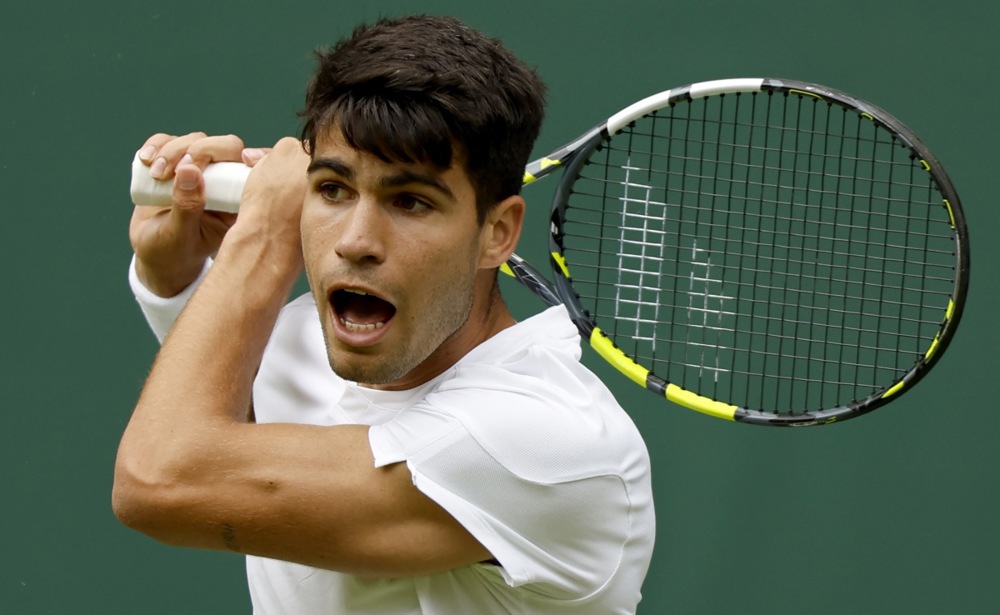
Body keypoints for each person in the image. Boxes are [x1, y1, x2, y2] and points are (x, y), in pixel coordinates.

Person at [113, 15, 655, 614]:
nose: (355, 241)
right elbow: (213, 404)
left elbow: (160, 478)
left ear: (496, 233)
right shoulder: (304, 338)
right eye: (333, 190)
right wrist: (175, 276)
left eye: (411, 201)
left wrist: (260, 241)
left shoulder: (542, 441)